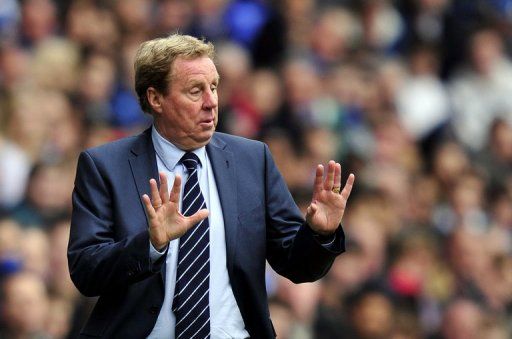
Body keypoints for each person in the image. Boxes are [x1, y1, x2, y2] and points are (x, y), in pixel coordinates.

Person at [67, 34, 355, 339]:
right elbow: (86, 270)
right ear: (155, 99)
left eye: (214, 87)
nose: (211, 102)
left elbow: (298, 266)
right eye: (196, 91)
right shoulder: (105, 166)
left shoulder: (252, 159)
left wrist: (320, 234)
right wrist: (151, 245)